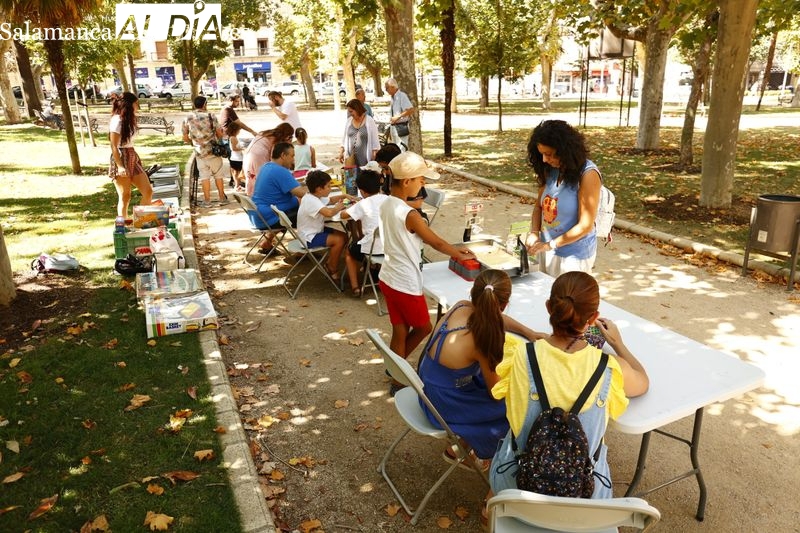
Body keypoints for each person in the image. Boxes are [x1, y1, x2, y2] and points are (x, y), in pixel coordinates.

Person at [489, 271, 649, 500]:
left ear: (548, 307)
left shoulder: (519, 355)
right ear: (593, 318)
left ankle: (491, 509)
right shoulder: (610, 368)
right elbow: (643, 382)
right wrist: (617, 343)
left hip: (515, 492)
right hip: (584, 502)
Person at [418, 269, 544, 463]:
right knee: (518, 407)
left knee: (484, 384)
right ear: (504, 304)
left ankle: (459, 448)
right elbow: (495, 391)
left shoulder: (460, 306)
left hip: (426, 387)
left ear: (473, 293)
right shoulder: (482, 339)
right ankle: (494, 459)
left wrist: (528, 331)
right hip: (443, 404)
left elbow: (494, 317)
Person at [378, 151, 476, 393]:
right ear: (407, 181)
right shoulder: (410, 214)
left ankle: (394, 370)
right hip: (404, 281)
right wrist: (458, 252)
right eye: (421, 180)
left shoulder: (388, 202)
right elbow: (436, 243)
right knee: (423, 328)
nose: (423, 185)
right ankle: (400, 374)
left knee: (400, 328)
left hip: (388, 277)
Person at [524, 120, 602, 277]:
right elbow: (539, 207)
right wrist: (534, 232)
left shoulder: (588, 175)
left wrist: (551, 245)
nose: (545, 160)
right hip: (546, 248)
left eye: (549, 154)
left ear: (565, 151)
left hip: (573, 257)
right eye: (542, 154)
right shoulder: (550, 169)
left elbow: (585, 226)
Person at [297, 170, 356, 282]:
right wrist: (338, 207)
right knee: (339, 240)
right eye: (328, 186)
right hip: (309, 237)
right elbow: (329, 213)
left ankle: (331, 262)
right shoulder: (311, 201)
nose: (330, 188)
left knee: (344, 236)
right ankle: (331, 267)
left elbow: (330, 200)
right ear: (319, 189)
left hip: (314, 230)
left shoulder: (314, 196)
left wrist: (344, 195)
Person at [251, 142, 306, 253]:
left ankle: (267, 242)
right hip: (270, 218)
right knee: (309, 213)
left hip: (258, 214)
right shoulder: (280, 171)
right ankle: (304, 249)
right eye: (292, 156)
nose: (293, 160)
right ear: (283, 155)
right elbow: (302, 194)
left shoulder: (267, 166)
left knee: (293, 209)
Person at [340, 169, 388, 296]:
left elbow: (343, 215)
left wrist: (352, 206)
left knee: (349, 252)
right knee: (365, 237)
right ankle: (374, 270)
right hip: (392, 247)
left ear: (361, 191)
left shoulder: (363, 204)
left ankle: (355, 287)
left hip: (373, 249)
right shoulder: (389, 200)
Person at [108, 92, 153, 219]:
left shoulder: (129, 119)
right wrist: (120, 166)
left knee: (148, 191)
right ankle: (123, 226)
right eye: (136, 103)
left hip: (132, 154)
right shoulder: (117, 120)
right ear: (129, 105)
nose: (137, 106)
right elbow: (114, 146)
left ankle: (139, 221)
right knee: (125, 196)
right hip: (121, 157)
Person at [182, 95, 228, 208]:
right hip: (213, 151)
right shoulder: (211, 116)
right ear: (204, 104)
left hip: (199, 152)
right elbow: (219, 133)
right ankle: (222, 198)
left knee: (204, 177)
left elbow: (184, 136)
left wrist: (193, 142)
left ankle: (207, 201)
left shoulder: (188, 117)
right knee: (218, 175)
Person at [375, 143, 428, 222]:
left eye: (386, 168)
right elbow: (385, 194)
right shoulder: (390, 177)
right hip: (395, 213)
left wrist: (393, 203)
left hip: (412, 215)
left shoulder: (413, 181)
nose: (384, 172)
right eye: (383, 169)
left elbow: (417, 204)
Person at [243, 122, 294, 195]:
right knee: (262, 178)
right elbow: (274, 158)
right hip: (259, 155)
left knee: (251, 176)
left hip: (248, 154)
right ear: (287, 134)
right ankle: (261, 196)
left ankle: (252, 195)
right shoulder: (276, 139)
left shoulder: (267, 133)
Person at [338, 99, 380, 168]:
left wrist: (373, 159)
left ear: (357, 109)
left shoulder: (369, 121)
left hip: (365, 159)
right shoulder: (349, 121)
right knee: (351, 178)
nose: (350, 114)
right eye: (349, 112)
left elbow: (375, 143)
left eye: (351, 111)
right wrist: (341, 153)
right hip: (350, 159)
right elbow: (344, 139)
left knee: (364, 178)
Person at [385, 77, 415, 151]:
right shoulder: (393, 98)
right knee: (395, 150)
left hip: (401, 127)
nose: (386, 91)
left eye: (387, 88)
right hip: (394, 127)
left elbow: (411, 110)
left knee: (401, 149)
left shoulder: (402, 96)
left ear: (392, 87)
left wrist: (398, 117)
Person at [227, 122, 245, 191]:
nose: (239, 131)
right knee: (238, 173)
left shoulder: (232, 137)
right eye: (238, 130)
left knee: (235, 173)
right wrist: (243, 148)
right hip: (237, 159)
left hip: (235, 158)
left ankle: (237, 185)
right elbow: (234, 148)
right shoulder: (233, 138)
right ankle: (237, 185)